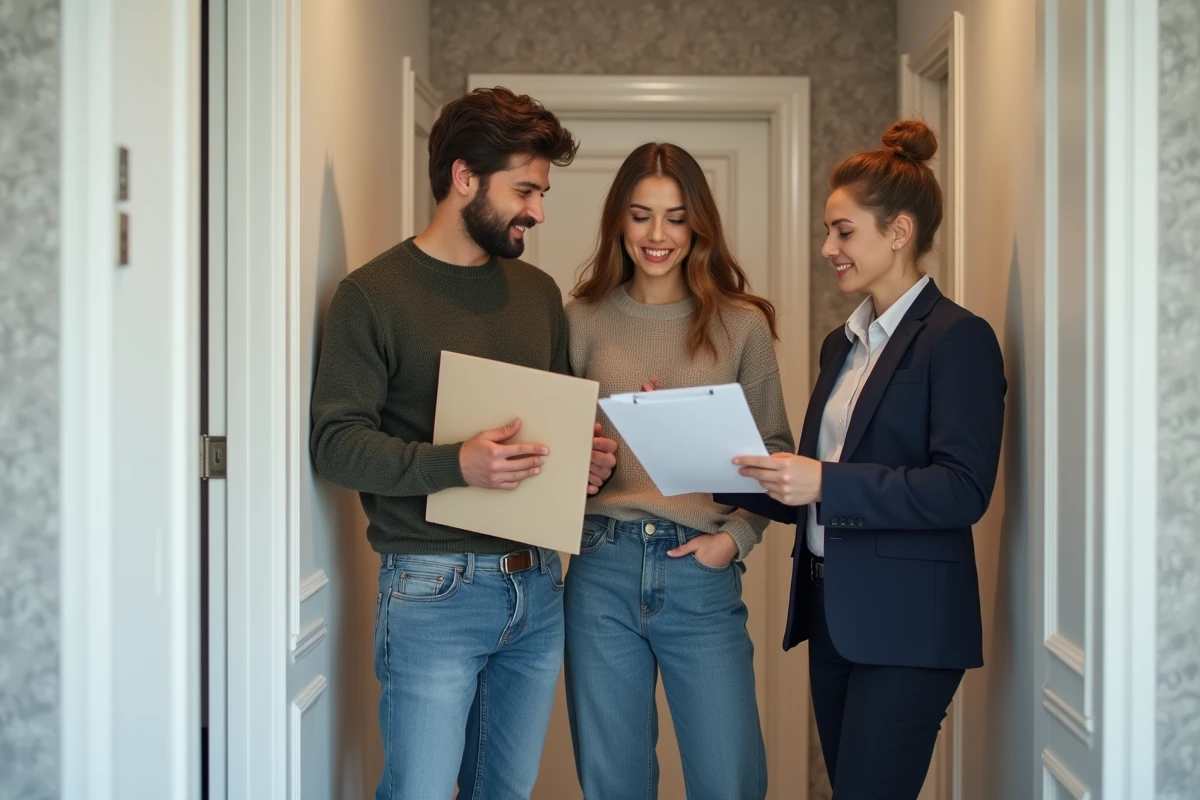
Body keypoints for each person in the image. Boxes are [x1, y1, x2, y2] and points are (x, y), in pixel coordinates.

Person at [309, 87, 618, 800]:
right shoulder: (372, 296)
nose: (538, 211)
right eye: (525, 190)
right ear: (464, 178)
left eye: (541, 192)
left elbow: (546, 433)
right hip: (432, 590)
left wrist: (583, 463)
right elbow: (335, 444)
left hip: (538, 586)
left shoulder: (538, 294)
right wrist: (457, 465)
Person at [717, 119, 1006, 799]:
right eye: (829, 231)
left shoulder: (959, 339)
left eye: (843, 231)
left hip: (909, 626)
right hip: (833, 614)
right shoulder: (840, 345)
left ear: (899, 232)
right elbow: (812, 489)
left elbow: (962, 490)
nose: (827, 248)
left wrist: (824, 480)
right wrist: (707, 458)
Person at [563, 142, 794, 800]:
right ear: (618, 222)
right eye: (641, 216)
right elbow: (553, 449)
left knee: (729, 781)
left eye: (675, 216)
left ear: (699, 225)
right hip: (600, 567)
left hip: (700, 571)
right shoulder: (577, 320)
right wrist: (580, 462)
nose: (657, 235)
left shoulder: (741, 325)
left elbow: (777, 452)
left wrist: (736, 539)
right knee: (615, 785)